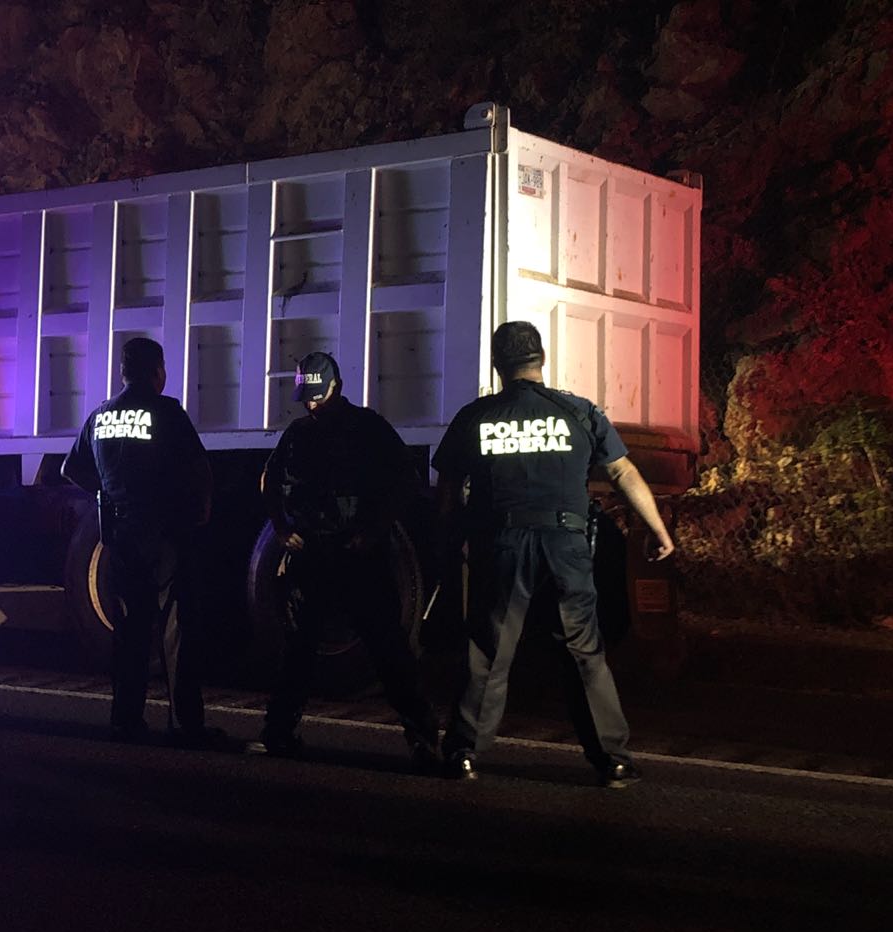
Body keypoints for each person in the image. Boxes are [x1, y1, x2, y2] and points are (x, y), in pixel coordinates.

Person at [433, 321, 675, 787]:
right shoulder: (578, 412)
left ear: (499, 365)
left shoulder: (475, 417)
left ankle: (464, 753)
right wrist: (657, 529)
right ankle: (612, 759)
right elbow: (623, 472)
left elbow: (447, 491)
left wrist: (447, 540)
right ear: (541, 360)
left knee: (489, 650)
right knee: (583, 650)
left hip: (501, 545)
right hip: (566, 546)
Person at [254, 352, 441, 773]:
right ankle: (278, 732)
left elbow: (405, 481)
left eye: (318, 396)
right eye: (308, 397)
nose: (312, 404)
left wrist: (375, 530)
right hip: (315, 555)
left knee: (389, 651)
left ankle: (424, 742)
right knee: (299, 650)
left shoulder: (368, 427)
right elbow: (269, 481)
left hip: (360, 556)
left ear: (336, 387)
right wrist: (282, 530)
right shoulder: (299, 434)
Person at [62, 337, 217, 746]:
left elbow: (71, 468)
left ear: (123, 372)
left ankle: (125, 720)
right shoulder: (166, 411)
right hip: (164, 535)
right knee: (175, 632)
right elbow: (198, 464)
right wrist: (200, 506)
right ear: (157, 372)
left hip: (122, 536)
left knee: (129, 634)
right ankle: (185, 723)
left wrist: (107, 494)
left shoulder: (101, 416)